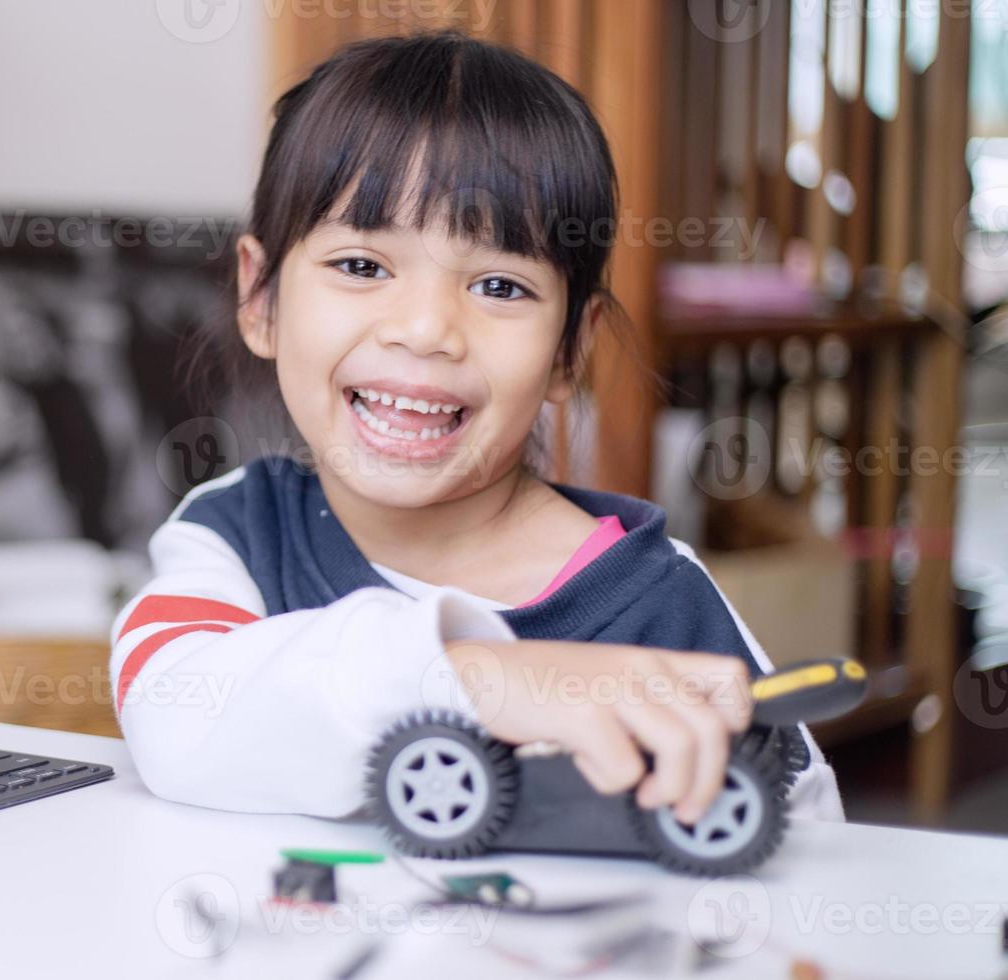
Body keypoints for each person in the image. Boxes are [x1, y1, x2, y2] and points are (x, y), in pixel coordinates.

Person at [111, 31, 842, 827]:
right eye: (362, 266)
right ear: (261, 299)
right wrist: (480, 678)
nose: (425, 329)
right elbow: (170, 708)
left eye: (500, 285)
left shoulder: (659, 599)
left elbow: (799, 846)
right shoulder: (234, 533)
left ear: (570, 350)